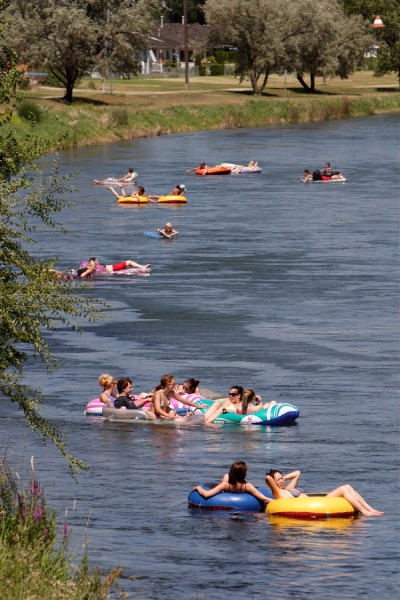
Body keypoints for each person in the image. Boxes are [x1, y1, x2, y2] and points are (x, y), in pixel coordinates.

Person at [265, 469, 384, 516]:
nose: (281, 481)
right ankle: (364, 512)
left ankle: (370, 509)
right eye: (279, 479)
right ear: (274, 483)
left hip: (318, 501)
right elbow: (268, 479)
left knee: (347, 487)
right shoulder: (278, 493)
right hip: (316, 504)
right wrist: (274, 481)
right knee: (343, 488)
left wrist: (282, 478)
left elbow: (298, 473)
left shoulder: (288, 488)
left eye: (282, 478)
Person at [193, 461, 272, 505]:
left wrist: (198, 488)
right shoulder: (247, 486)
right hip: (240, 492)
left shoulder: (225, 485)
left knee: (226, 476)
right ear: (244, 474)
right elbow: (264, 499)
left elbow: (206, 495)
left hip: (227, 490)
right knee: (226, 476)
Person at [76, 257, 151, 278]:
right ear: (94, 261)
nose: (98, 261)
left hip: (113, 267)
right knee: (129, 262)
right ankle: (142, 267)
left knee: (129, 263)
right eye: (97, 260)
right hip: (114, 268)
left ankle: (142, 267)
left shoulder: (97, 266)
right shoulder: (94, 267)